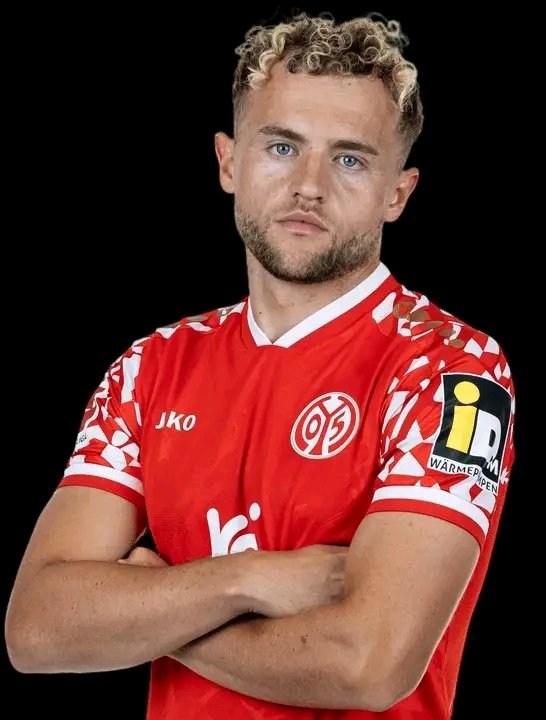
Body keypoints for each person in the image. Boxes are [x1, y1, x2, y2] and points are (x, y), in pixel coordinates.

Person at [5, 10, 516, 720]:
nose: (309, 185)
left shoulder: (452, 369)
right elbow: (37, 629)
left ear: (396, 194)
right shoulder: (150, 367)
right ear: (228, 162)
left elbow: (369, 664)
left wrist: (156, 613)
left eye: (349, 159)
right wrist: (244, 579)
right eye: (281, 147)